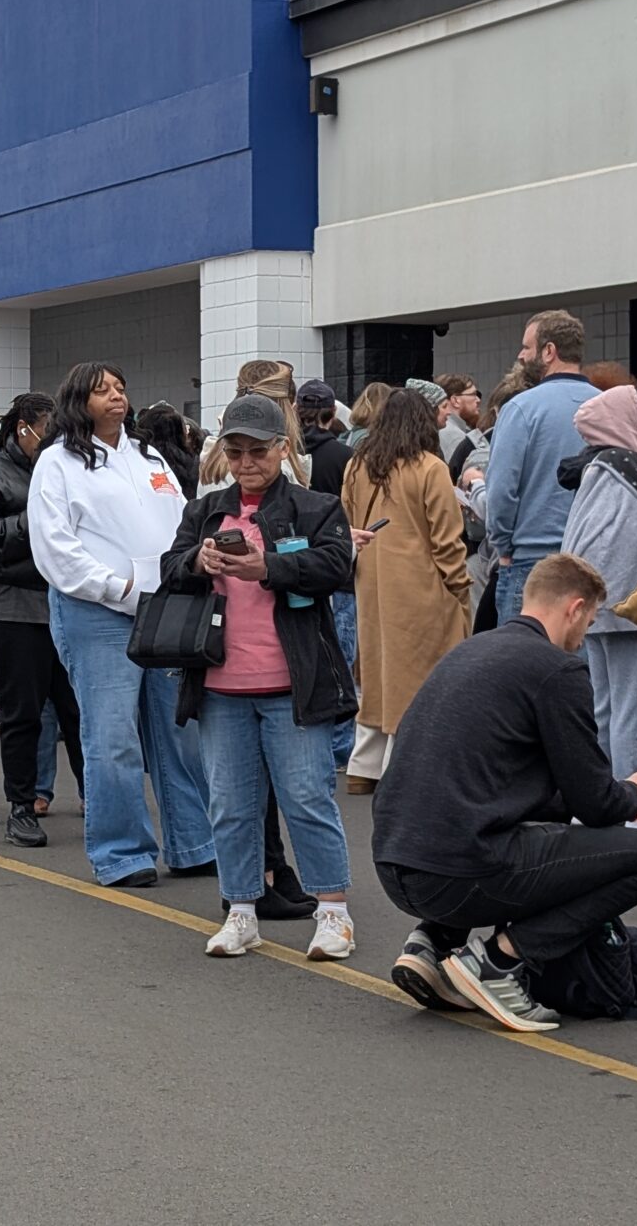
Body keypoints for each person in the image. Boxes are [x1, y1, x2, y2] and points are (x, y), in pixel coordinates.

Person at [374, 554, 637, 1034]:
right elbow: (595, 805)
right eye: (589, 622)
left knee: (505, 826)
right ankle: (498, 962)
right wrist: (635, 793)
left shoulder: (471, 650)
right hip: (457, 872)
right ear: (574, 609)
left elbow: (504, 785)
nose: (584, 637)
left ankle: (432, 943)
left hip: (395, 862)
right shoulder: (557, 670)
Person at [161, 393, 360, 960]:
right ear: (222, 453)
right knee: (229, 803)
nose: (246, 462)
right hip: (221, 686)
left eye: (258, 452)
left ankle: (334, 914)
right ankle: (240, 909)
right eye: (236, 451)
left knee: (307, 798)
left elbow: (335, 567)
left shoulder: (315, 507)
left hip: (291, 684)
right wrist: (198, 562)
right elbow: (169, 568)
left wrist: (268, 566)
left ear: (282, 450)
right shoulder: (204, 512)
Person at [30, 361, 215, 887]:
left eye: (120, 387)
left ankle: (194, 842)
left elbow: (182, 518)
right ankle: (122, 853)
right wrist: (119, 588)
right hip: (98, 613)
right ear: (77, 400)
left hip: (163, 608)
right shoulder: (57, 462)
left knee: (178, 733)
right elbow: (55, 547)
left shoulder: (147, 453)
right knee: (113, 738)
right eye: (102, 389)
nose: (116, 395)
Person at [0, 393, 82, 846]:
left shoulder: (67, 469)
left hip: (66, 603)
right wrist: (40, 521)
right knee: (22, 713)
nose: (53, 441)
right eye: (46, 431)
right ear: (23, 427)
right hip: (12, 608)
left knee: (78, 712)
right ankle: (22, 806)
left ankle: (98, 799)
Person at [340, 388, 471, 788]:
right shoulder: (431, 467)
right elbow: (447, 539)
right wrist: (459, 588)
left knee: (378, 674)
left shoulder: (358, 465)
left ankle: (364, 767)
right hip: (422, 586)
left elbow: (345, 519)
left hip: (371, 582)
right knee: (417, 678)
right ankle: (405, 769)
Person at [558, 384, 637, 777]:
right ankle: (632, 811)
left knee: (604, 711)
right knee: (633, 716)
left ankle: (602, 803)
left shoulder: (594, 470)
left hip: (594, 607)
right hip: (634, 608)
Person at [484, 309, 595, 623]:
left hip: (530, 562)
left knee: (523, 664)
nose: (520, 355)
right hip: (589, 559)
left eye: (526, 347)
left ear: (549, 352)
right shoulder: (606, 406)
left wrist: (502, 545)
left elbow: (501, 491)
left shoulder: (520, 409)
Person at [200, 360, 308, 491]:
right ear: (288, 409)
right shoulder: (273, 470)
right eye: (259, 450)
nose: (246, 463)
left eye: (258, 450)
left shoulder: (213, 458)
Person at [435, 373, 485, 469]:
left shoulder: (450, 429)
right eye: (473, 394)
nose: (478, 400)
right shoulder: (453, 434)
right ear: (455, 401)